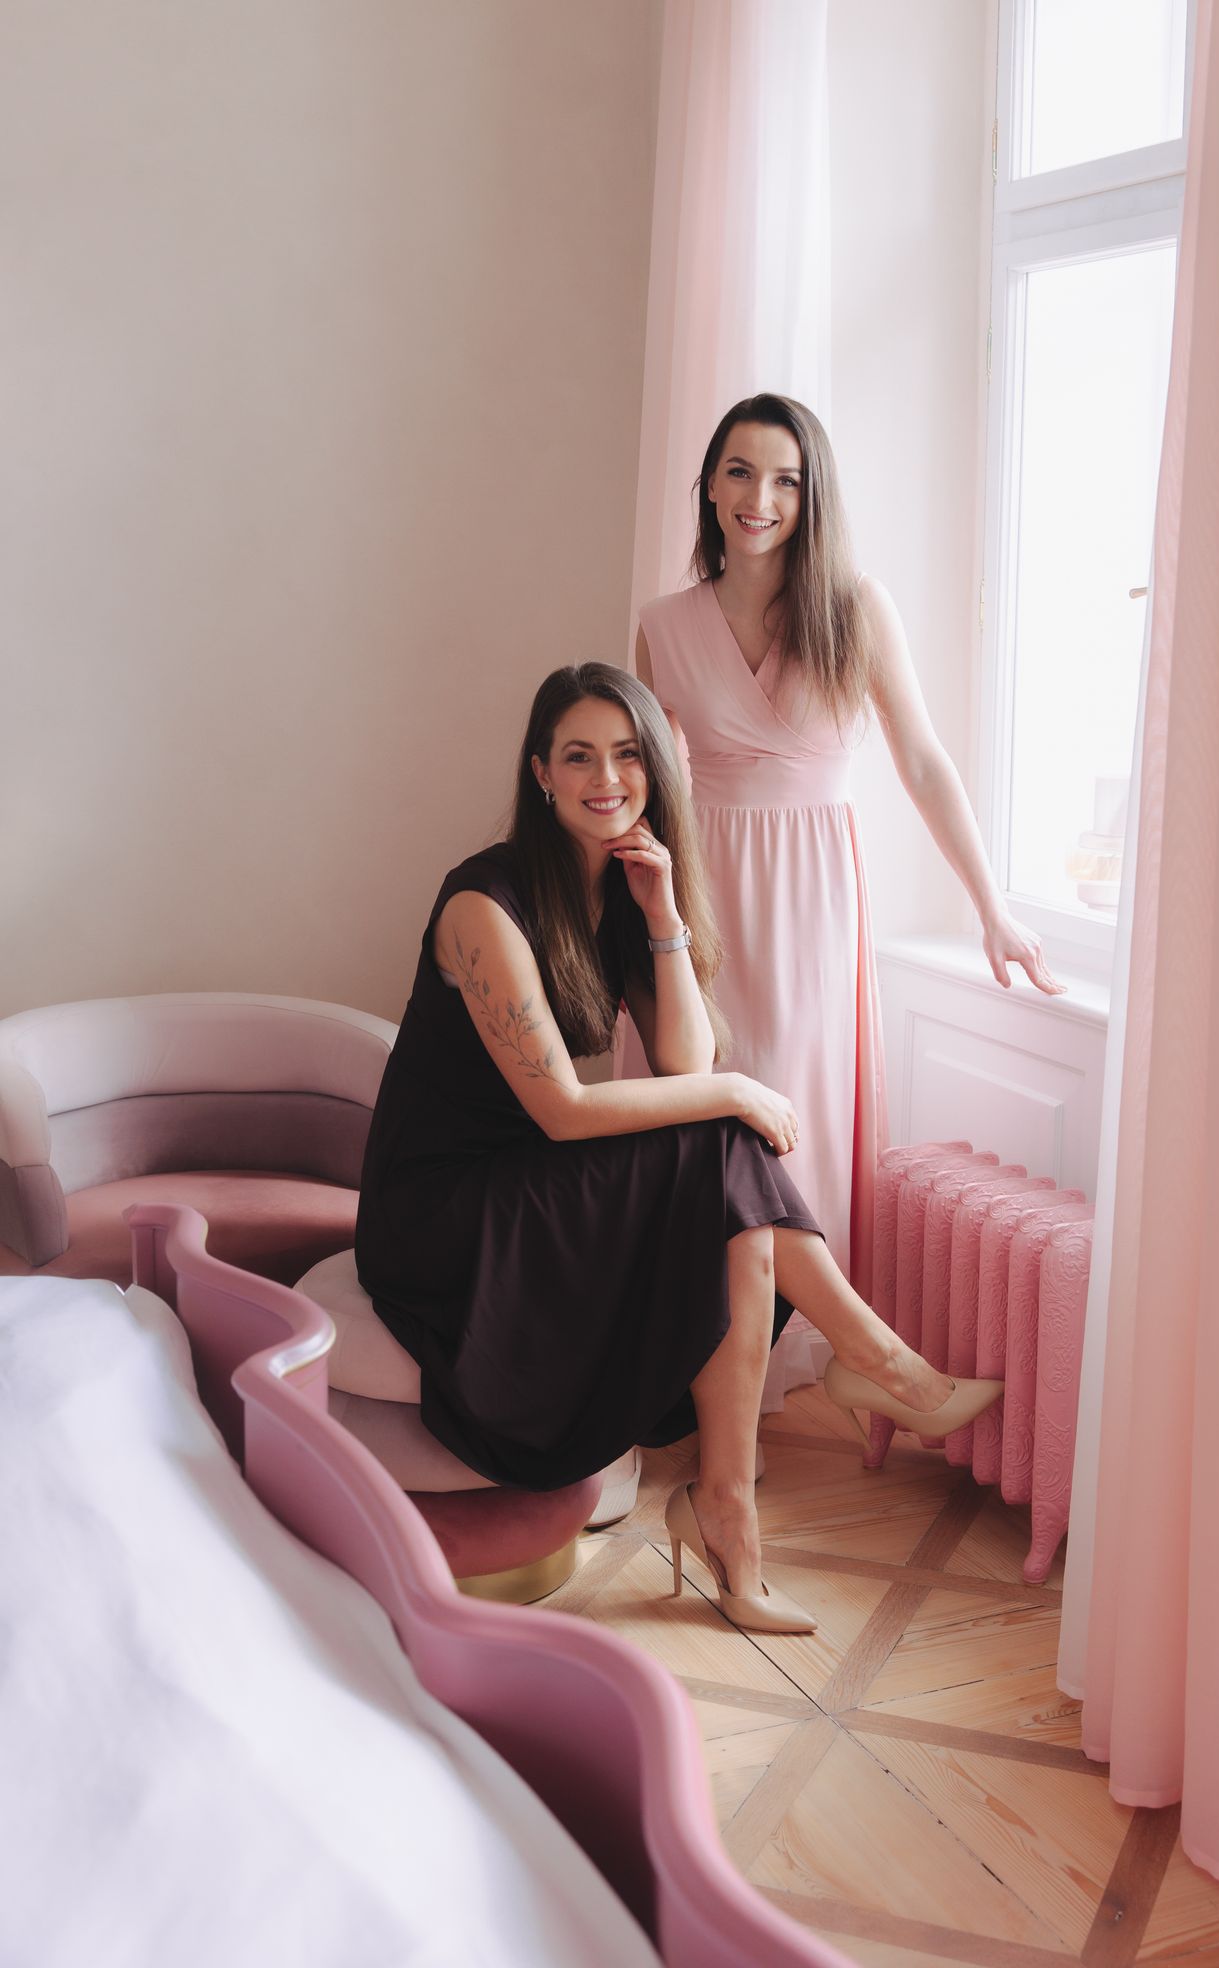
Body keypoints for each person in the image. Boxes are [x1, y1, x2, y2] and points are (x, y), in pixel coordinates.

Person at [355, 662, 1002, 1638]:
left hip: (528, 1175)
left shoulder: (619, 889)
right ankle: (872, 1369)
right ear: (540, 772)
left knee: (727, 1194)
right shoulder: (482, 904)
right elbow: (567, 1109)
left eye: (627, 755)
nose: (606, 778)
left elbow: (681, 1060)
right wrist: (738, 1091)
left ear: (654, 769)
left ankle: (731, 1510)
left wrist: (661, 916)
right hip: (445, 1214)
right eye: (579, 756)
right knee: (723, 1143)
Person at [635, 393, 1063, 1304]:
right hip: (702, 893)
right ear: (709, 485)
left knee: (790, 1114)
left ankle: (796, 1339)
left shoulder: (855, 609)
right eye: (740, 472)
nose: (760, 499)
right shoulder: (664, 624)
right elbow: (644, 789)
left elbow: (923, 760)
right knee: (694, 1104)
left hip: (811, 898)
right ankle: (685, 1341)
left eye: (786, 480)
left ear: (811, 494)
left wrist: (992, 908)